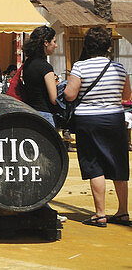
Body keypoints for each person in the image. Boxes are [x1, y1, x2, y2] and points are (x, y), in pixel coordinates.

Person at [63, 25, 130, 227]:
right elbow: (127, 97)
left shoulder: (80, 67)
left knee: (94, 165)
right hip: (114, 119)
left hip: (88, 120)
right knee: (118, 165)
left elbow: (70, 94)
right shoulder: (119, 68)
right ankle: (122, 212)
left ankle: (100, 214)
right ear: (108, 46)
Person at [20, 25, 59, 126]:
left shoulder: (28, 64)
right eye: (54, 42)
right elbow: (54, 99)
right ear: (46, 43)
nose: (56, 45)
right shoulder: (46, 68)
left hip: (31, 113)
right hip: (45, 115)